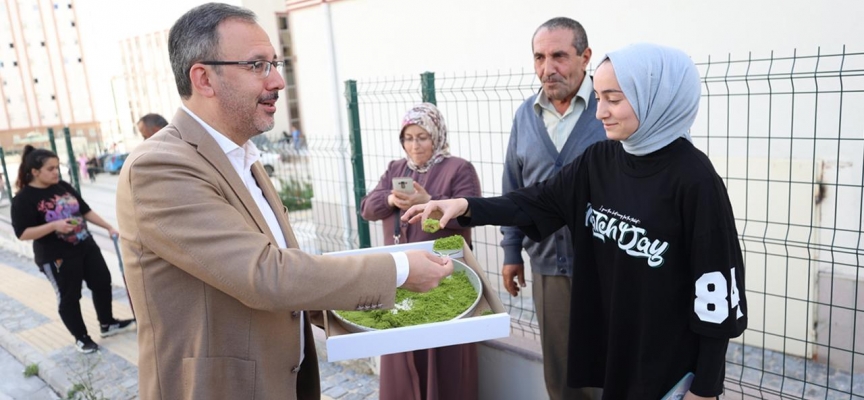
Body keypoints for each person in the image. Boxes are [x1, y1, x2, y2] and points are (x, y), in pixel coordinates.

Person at [114, 4, 453, 400]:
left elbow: (281, 275)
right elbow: (265, 274)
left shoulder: (242, 157)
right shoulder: (159, 167)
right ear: (204, 78)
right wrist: (397, 270)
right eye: (257, 65)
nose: (277, 81)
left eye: (274, 64)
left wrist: (369, 311)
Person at [404, 43, 749, 399]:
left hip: (668, 367)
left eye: (613, 99)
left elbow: (717, 292)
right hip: (619, 349)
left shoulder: (695, 181)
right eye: (598, 97)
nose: (601, 113)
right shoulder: (600, 160)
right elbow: (538, 200)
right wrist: (466, 205)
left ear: (656, 96)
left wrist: (705, 389)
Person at [502, 16, 606, 400]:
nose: (548, 69)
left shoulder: (609, 108)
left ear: (585, 57)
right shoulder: (525, 115)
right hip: (547, 266)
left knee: (609, 369)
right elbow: (514, 186)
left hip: (606, 266)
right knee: (563, 376)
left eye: (559, 56)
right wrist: (512, 251)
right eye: (539, 57)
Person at [360, 103, 481, 400]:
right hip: (401, 278)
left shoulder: (458, 169)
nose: (414, 145)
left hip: (444, 279)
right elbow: (367, 209)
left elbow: (471, 214)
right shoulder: (396, 169)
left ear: (436, 136)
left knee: (444, 355)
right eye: (408, 137)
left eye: (422, 137)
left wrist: (431, 200)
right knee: (402, 355)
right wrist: (390, 199)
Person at [11, 145, 135, 354]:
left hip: (85, 245)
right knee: (70, 297)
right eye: (50, 169)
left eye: (57, 167)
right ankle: (82, 337)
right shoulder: (23, 199)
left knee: (102, 282)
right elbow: (22, 233)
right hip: (56, 256)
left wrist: (109, 227)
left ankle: (107, 323)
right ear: (34, 171)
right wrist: (53, 226)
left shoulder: (63, 186)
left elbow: (84, 210)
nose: (55, 172)